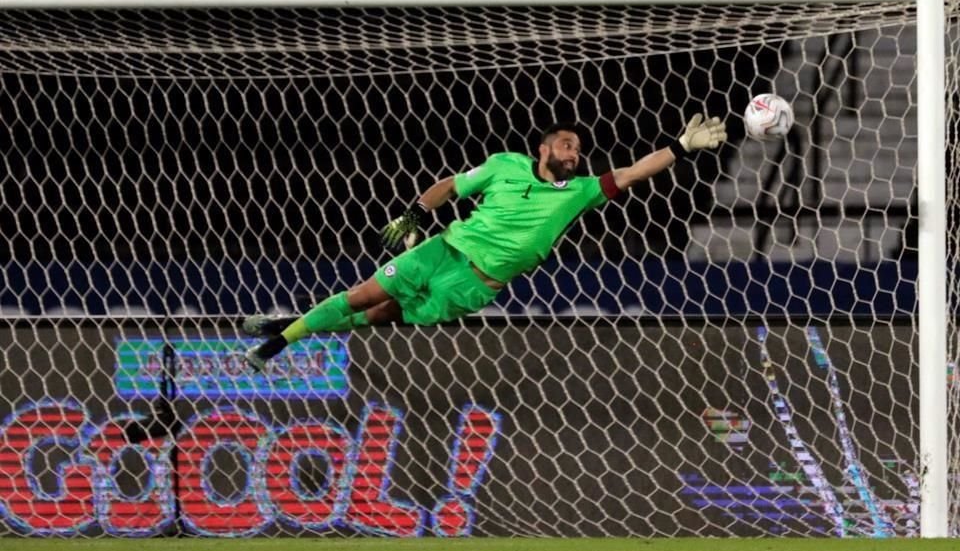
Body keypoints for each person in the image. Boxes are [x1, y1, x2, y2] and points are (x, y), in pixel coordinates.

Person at [242, 114, 726, 371]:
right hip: (444, 249)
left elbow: (631, 172)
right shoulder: (503, 164)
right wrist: (416, 213)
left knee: (373, 318)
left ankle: (288, 323)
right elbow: (450, 186)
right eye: (566, 145)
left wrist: (681, 148)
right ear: (543, 149)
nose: (575, 153)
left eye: (578, 148)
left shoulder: (580, 194)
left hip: (473, 289)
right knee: (361, 296)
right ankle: (276, 346)